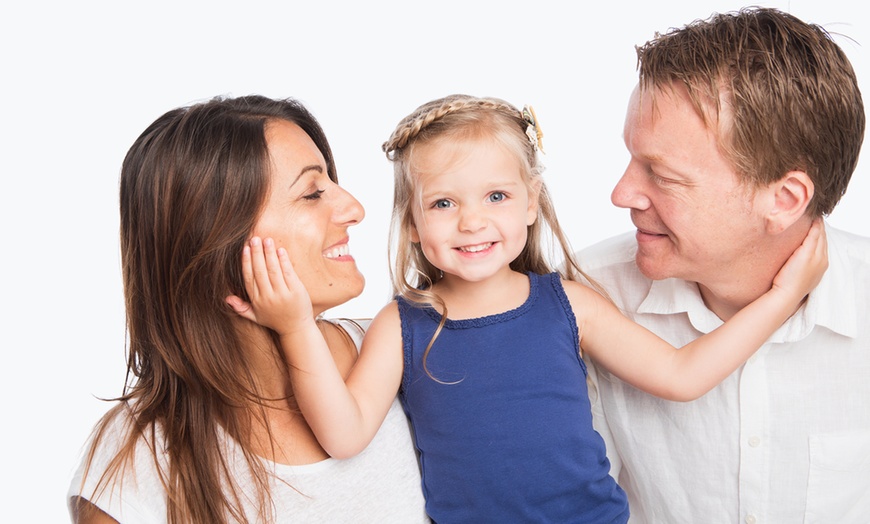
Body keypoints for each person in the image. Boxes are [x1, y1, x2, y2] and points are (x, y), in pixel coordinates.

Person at [228, 93, 827, 523]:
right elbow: (344, 433)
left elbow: (682, 374)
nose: (472, 221)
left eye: (496, 195)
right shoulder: (405, 324)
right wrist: (296, 327)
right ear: (411, 223)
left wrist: (781, 298)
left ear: (531, 202)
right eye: (442, 203)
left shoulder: (568, 305)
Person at [67, 95, 429, 524]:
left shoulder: (409, 351)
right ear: (215, 243)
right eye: (313, 193)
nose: (354, 209)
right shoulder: (134, 460)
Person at [574, 7, 870, 523]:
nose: (621, 193)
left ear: (783, 200)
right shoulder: (586, 297)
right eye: (630, 159)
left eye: (662, 176)